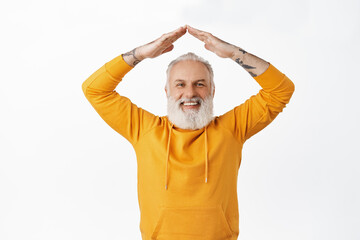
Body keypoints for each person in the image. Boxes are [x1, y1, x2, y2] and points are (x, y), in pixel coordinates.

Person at [82, 25, 295, 240]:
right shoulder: (144, 130)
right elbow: (94, 89)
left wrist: (233, 53)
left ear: (212, 90)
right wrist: (141, 54)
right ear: (167, 91)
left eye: (200, 84)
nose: (190, 93)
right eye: (180, 84)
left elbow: (281, 89)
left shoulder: (232, 129)